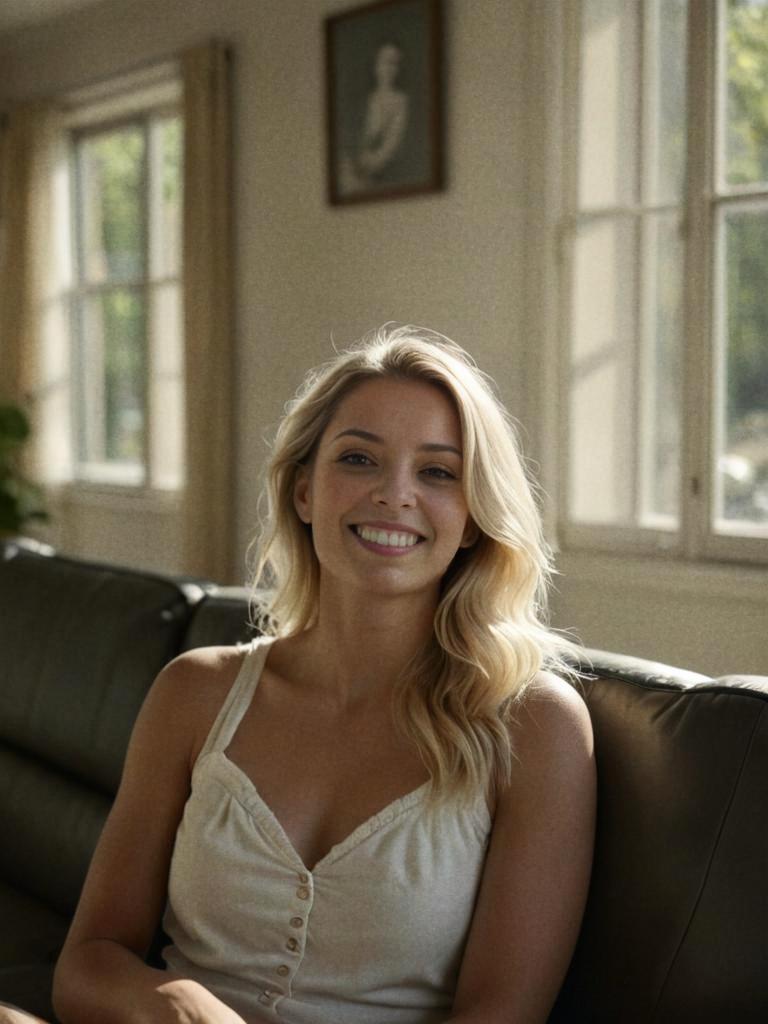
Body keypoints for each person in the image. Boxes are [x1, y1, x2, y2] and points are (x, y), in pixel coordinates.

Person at [0, 324, 595, 1024]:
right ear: (305, 491)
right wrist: (180, 1004)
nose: (394, 494)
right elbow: (88, 965)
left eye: (437, 472)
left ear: (472, 520)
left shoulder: (535, 728)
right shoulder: (196, 693)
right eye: (358, 459)